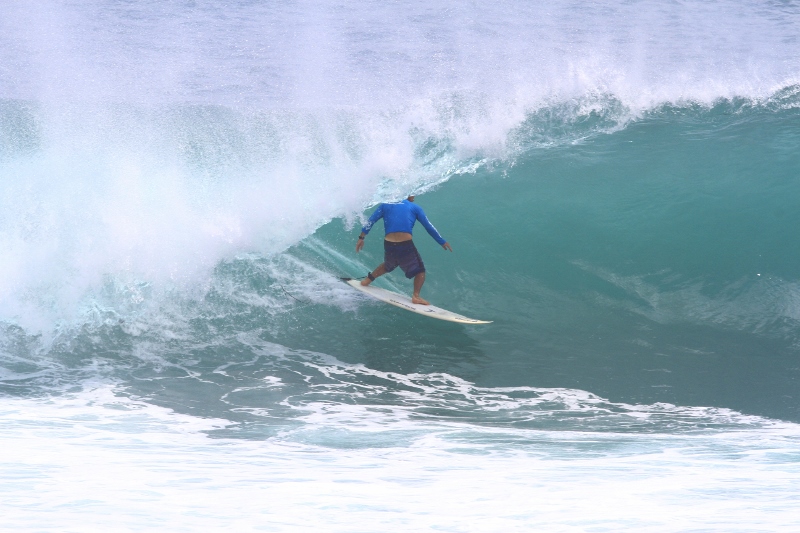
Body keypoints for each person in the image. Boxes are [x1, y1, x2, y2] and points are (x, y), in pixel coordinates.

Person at [355, 195, 452, 305]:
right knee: (420, 271)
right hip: (405, 245)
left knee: (388, 265)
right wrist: (441, 241)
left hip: (389, 243)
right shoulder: (415, 207)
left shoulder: (385, 205)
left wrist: (361, 238)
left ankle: (366, 281)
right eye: (412, 194)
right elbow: (428, 226)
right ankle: (416, 296)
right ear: (407, 195)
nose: (414, 197)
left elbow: (370, 221)